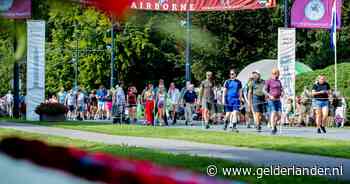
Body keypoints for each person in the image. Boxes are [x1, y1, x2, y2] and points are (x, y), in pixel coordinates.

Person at [264, 68, 283, 135]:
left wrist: (282, 93)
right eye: (278, 73)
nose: (279, 75)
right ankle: (272, 129)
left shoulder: (278, 81)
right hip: (271, 100)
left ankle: (274, 125)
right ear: (274, 73)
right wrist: (269, 96)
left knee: (279, 115)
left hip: (278, 99)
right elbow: (264, 90)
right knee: (273, 112)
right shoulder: (269, 81)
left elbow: (281, 89)